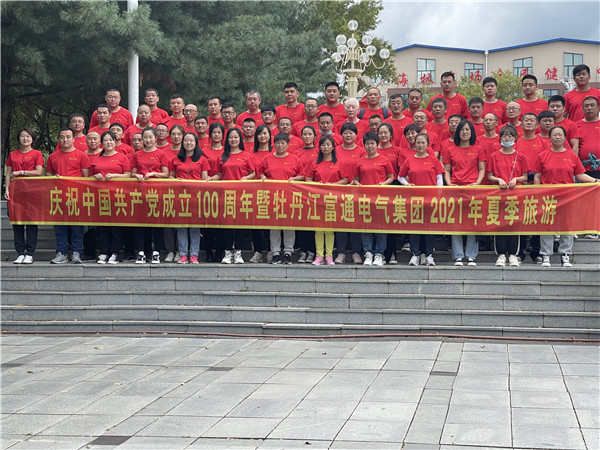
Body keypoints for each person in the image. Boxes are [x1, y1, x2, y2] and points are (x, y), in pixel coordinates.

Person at [534, 125, 600, 267]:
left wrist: (595, 181)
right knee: (547, 226)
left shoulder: (572, 156)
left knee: (567, 226)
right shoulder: (542, 156)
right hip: (548, 197)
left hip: (568, 197)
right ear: (549, 138)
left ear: (565, 138)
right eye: (554, 135)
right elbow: (537, 177)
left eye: (560, 135)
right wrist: (538, 192)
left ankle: (565, 254)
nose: (557, 137)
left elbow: (580, 175)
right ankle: (546, 255)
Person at [209, 128, 255, 264]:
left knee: (240, 224)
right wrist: (211, 179)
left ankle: (238, 252)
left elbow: (252, 173)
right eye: (230, 137)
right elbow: (219, 174)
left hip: (242, 196)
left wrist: (246, 178)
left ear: (240, 139)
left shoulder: (246, 155)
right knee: (227, 225)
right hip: (226, 195)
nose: (233, 140)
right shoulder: (222, 156)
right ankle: (228, 252)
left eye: (236, 137)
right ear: (226, 139)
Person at [443, 120, 486, 266]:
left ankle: (471, 255)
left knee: (472, 223)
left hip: (473, 189)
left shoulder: (478, 149)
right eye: (462, 130)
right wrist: (449, 184)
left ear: (472, 132)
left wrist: (478, 183)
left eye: (467, 129)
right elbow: (446, 170)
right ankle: (458, 256)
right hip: (456, 189)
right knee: (456, 224)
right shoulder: (450, 150)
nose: (465, 132)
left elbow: (482, 168)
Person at [398, 133, 444, 266]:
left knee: (429, 227)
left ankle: (429, 255)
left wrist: (439, 193)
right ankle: (415, 254)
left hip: (430, 199)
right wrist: (407, 184)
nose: (420, 145)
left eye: (423, 142)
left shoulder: (433, 160)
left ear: (428, 144)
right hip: (414, 199)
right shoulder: (409, 160)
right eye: (418, 142)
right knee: (415, 227)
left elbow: (439, 177)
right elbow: (400, 176)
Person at [487, 124, 529, 267]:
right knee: (499, 224)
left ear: (515, 138)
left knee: (514, 224)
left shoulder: (520, 156)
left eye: (510, 136)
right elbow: (490, 176)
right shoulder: (494, 156)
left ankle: (513, 254)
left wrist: (516, 179)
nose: (507, 138)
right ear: (500, 138)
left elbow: (525, 177)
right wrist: (498, 180)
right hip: (498, 195)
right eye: (504, 135)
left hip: (515, 196)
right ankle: (500, 254)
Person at [258, 133, 304, 264]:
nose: (280, 145)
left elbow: (302, 175)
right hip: (272, 197)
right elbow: (260, 172)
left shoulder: (294, 159)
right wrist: (262, 177)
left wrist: (294, 179)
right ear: (274, 144)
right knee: (274, 226)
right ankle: (276, 253)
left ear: (288, 145)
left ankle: (288, 252)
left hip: (289, 197)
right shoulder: (267, 158)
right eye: (277, 143)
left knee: (289, 226)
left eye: (283, 143)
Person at [46, 128, 91, 264]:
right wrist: (54, 177)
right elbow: (48, 173)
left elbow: (86, 177)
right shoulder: (53, 156)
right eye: (62, 137)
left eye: (68, 137)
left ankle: (76, 253)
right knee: (60, 227)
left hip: (76, 196)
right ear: (59, 139)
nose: (65, 140)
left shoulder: (81, 155)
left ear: (73, 139)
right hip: (58, 196)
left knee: (77, 227)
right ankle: (61, 253)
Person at [352, 131, 394, 267]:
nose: (370, 146)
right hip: (365, 199)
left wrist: (385, 183)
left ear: (377, 144)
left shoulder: (384, 160)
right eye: (367, 144)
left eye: (372, 143)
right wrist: (357, 184)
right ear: (364, 145)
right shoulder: (360, 161)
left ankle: (379, 254)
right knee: (366, 228)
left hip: (380, 199)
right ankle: (368, 253)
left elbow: (391, 177)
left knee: (380, 228)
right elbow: (356, 178)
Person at [90, 130, 132, 264]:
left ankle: (115, 252)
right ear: (101, 143)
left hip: (118, 197)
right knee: (102, 227)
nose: (108, 142)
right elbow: (88, 177)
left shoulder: (122, 157)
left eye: (111, 140)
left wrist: (115, 176)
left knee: (116, 227)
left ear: (115, 142)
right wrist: (95, 176)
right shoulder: (96, 159)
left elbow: (128, 175)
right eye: (106, 140)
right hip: (101, 197)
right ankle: (103, 252)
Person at [306, 135, 349, 265]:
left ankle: (329, 255)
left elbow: (345, 180)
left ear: (333, 147)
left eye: (328, 145)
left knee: (330, 229)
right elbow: (308, 179)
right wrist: (316, 184)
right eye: (323, 145)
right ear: (319, 147)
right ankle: (319, 255)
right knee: (318, 229)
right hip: (318, 199)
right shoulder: (314, 163)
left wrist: (332, 185)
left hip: (333, 199)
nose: (325, 147)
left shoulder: (339, 163)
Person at [4, 128, 44, 264]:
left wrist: (22, 172)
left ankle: (30, 253)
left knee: (31, 222)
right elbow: (8, 173)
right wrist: (7, 189)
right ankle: (20, 252)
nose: (25, 138)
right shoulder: (13, 154)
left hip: (32, 192)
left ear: (32, 139)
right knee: (17, 222)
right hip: (16, 191)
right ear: (19, 138)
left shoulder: (37, 154)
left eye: (28, 136)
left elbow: (38, 172)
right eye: (22, 136)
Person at [131, 127, 169, 264]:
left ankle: (156, 251)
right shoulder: (137, 154)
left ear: (155, 138)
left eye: (150, 137)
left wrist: (153, 174)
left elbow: (166, 174)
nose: (148, 140)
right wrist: (137, 175)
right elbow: (133, 172)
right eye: (145, 138)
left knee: (156, 223)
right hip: (140, 193)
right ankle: (142, 252)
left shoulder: (161, 154)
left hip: (156, 193)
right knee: (141, 223)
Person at [170, 132, 210, 264]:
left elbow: (204, 179)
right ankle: (183, 254)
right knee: (181, 226)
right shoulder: (176, 158)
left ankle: (193, 254)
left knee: (194, 227)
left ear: (196, 143)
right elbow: (170, 176)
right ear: (182, 143)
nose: (188, 143)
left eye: (191, 140)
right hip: (180, 197)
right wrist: (176, 180)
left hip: (195, 198)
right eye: (186, 140)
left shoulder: (202, 159)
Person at [334, 122, 366, 264]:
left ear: (356, 135)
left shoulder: (362, 151)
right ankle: (341, 252)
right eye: (345, 133)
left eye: (351, 133)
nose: (348, 135)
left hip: (356, 190)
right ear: (341, 135)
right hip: (339, 190)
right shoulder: (335, 150)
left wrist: (355, 182)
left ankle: (356, 252)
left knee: (355, 222)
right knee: (340, 221)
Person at [201, 122, 226, 262]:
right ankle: (209, 251)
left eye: (219, 132)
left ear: (223, 135)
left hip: (223, 190)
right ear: (209, 135)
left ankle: (220, 251)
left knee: (221, 221)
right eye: (214, 132)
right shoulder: (204, 150)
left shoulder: (227, 151)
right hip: (206, 190)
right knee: (208, 221)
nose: (216, 135)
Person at [249, 124, 273, 264]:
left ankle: (270, 250)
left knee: (270, 223)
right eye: (260, 134)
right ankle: (257, 251)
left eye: (265, 133)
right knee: (256, 223)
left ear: (270, 136)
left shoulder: (275, 152)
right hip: (254, 192)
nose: (262, 136)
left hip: (271, 193)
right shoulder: (251, 154)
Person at [295, 125, 318, 264]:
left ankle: (312, 251)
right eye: (305, 134)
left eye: (310, 134)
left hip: (315, 191)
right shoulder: (297, 153)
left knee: (313, 221)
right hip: (299, 190)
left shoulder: (319, 151)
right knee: (301, 221)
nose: (307, 137)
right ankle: (303, 250)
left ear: (315, 136)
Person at [162, 125, 185, 262]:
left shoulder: (188, 150)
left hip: (184, 193)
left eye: (179, 134)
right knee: (168, 222)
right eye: (174, 134)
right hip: (167, 191)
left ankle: (180, 250)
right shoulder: (164, 152)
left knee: (181, 222)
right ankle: (170, 250)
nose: (176, 137)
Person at [576, 96, 600, 178]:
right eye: (586, 106)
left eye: (592, 105)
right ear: (582, 109)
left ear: (598, 108)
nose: (589, 108)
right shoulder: (576, 125)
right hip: (583, 169)